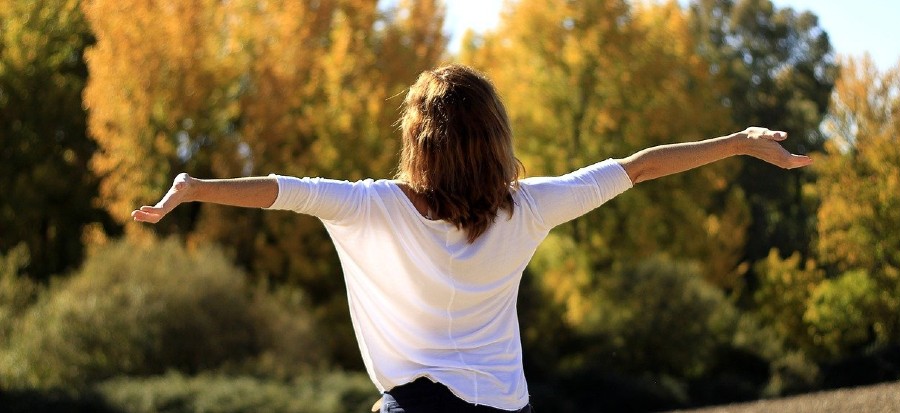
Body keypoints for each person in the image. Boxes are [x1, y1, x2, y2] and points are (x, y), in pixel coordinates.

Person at [132, 64, 812, 412]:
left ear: (417, 144)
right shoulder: (531, 208)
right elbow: (639, 166)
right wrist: (739, 143)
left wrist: (194, 187)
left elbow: (284, 188)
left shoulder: (373, 207)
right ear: (496, 141)